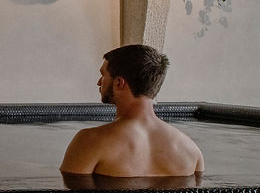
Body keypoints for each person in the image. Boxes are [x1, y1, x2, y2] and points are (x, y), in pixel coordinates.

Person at [60, 44, 203, 177]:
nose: (99, 82)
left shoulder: (91, 141)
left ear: (119, 83)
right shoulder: (192, 151)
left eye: (103, 75)